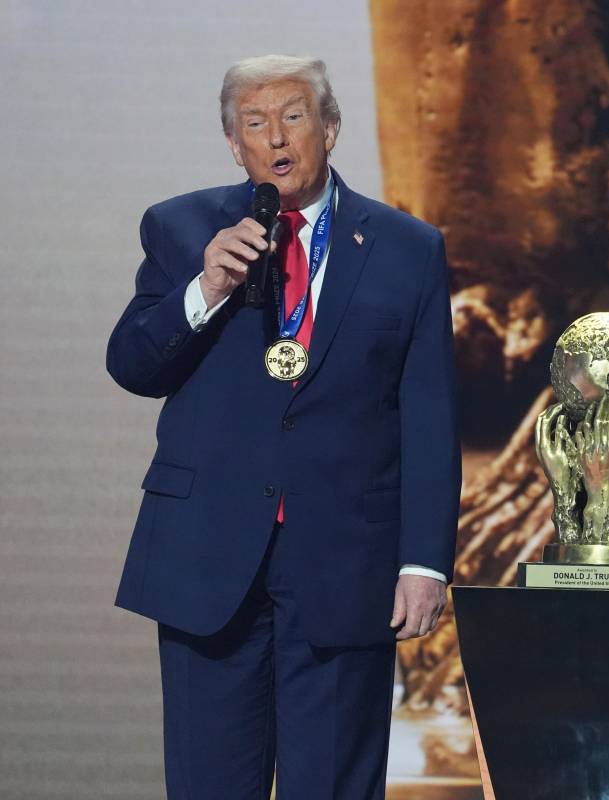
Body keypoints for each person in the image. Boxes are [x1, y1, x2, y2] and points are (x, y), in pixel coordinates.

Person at [106, 55, 460, 799]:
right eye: (255, 123)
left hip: (346, 563)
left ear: (329, 128)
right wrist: (206, 288)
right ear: (233, 143)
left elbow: (429, 415)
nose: (276, 138)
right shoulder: (181, 228)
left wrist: (424, 563)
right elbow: (133, 366)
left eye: (293, 117)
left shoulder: (408, 247)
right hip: (207, 558)